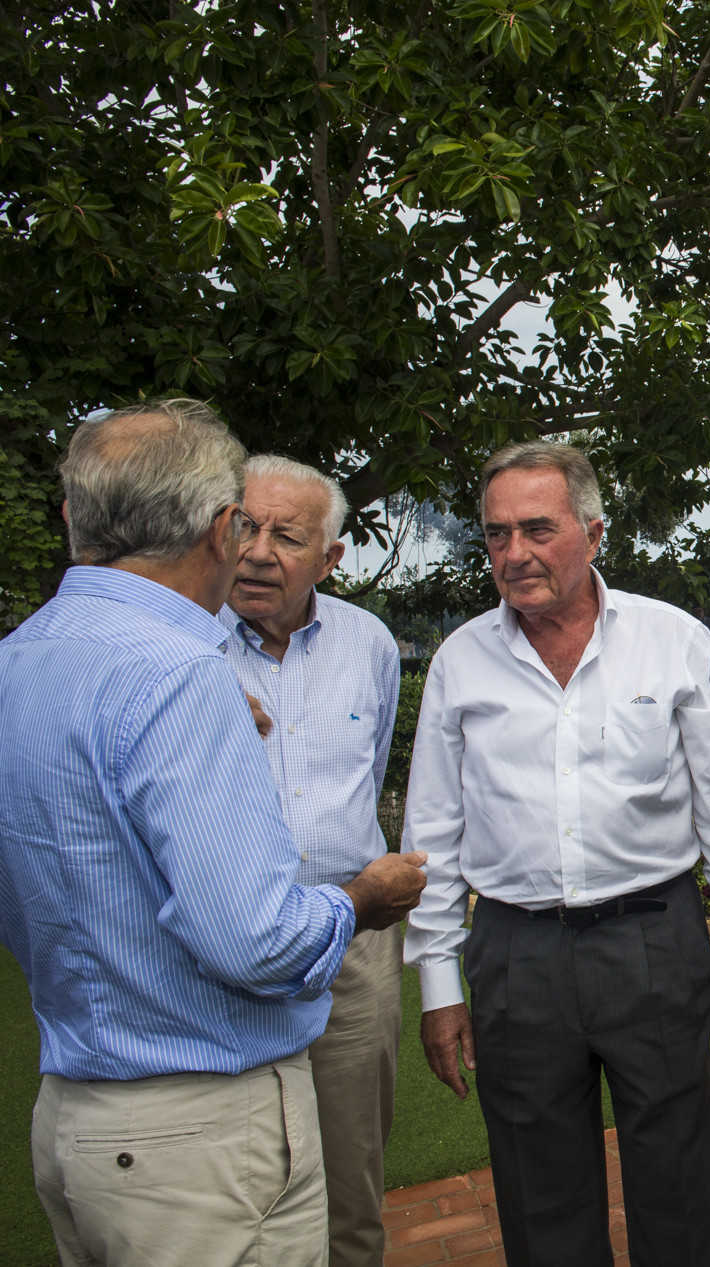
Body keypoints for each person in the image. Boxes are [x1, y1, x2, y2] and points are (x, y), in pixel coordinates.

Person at [0, 399, 426, 1267]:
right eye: (250, 526)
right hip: (198, 1130)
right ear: (221, 527)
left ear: (74, 511)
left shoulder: (25, 653)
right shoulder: (181, 669)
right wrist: (361, 896)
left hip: (81, 1111)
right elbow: (258, 942)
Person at [401, 441, 710, 1267]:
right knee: (540, 1192)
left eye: (538, 528)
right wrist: (435, 982)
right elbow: (431, 832)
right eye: (497, 535)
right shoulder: (461, 660)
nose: (515, 553)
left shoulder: (672, 640)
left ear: (594, 533)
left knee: (680, 1181)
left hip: (651, 937)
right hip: (514, 952)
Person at [220, 454, 404, 1267]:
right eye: (245, 526)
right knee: (231, 1179)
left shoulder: (368, 644)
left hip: (353, 949)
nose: (258, 550)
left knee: (351, 1179)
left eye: (287, 536)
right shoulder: (183, 650)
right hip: (224, 944)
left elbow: (373, 768)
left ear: (330, 558)